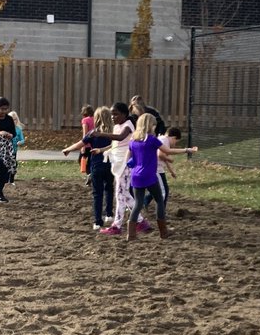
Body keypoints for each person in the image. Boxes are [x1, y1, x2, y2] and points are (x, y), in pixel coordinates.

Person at [125, 112, 197, 240]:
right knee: (159, 200)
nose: (154, 127)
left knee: (138, 204)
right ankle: (163, 232)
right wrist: (187, 150)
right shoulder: (152, 140)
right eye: (154, 125)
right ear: (149, 125)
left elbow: (128, 159)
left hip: (136, 176)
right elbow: (168, 151)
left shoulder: (133, 141)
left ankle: (131, 234)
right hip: (150, 176)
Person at [62, 105, 114, 230]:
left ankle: (97, 221)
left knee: (97, 193)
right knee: (109, 188)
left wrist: (68, 149)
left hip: (97, 166)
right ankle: (109, 214)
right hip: (111, 165)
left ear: (96, 118)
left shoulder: (93, 133)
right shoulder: (114, 133)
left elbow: (80, 143)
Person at [100, 101, 137, 236]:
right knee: (123, 194)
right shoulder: (117, 126)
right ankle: (140, 221)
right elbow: (115, 144)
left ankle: (117, 224)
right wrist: (101, 150)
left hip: (126, 164)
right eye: (111, 115)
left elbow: (121, 137)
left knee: (121, 194)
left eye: (116, 114)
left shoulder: (128, 125)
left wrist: (101, 134)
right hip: (118, 163)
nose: (113, 117)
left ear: (124, 114)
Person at [78, 105, 95, 177]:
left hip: (87, 144)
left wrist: (83, 146)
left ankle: (89, 175)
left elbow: (85, 133)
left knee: (81, 159)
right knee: (91, 161)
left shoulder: (85, 120)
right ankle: (91, 174)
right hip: (94, 143)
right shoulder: (95, 119)